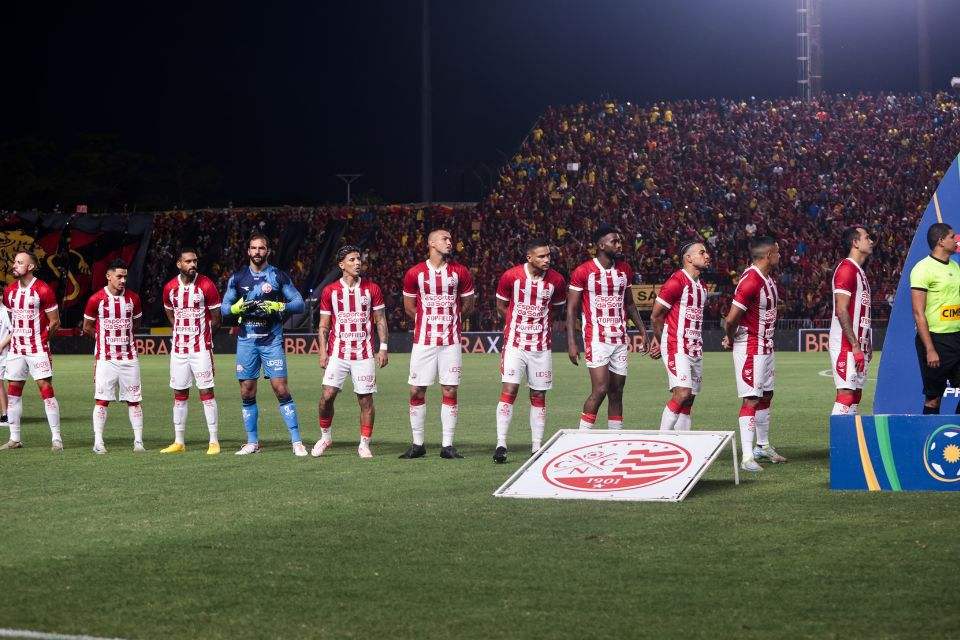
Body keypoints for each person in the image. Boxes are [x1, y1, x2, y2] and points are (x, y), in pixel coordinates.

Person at [221, 233, 306, 456]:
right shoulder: (237, 278)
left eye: (261, 248)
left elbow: (299, 303)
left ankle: (296, 441)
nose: (257, 252)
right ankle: (252, 442)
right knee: (246, 391)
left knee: (280, 388)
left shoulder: (277, 276)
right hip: (247, 341)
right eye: (253, 248)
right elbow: (224, 309)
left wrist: (279, 306)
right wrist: (236, 309)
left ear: (267, 251)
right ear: (248, 251)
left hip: (271, 340)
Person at [399, 228, 475, 459]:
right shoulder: (415, 273)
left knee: (450, 389)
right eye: (445, 238)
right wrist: (428, 321)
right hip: (424, 341)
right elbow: (409, 307)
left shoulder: (460, 272)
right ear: (431, 243)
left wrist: (451, 320)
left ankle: (447, 445)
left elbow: (468, 304)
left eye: (451, 238)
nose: (450, 242)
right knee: (416, 389)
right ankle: (418, 444)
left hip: (451, 341)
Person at [566, 224, 647, 431]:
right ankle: (582, 438)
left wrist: (643, 331)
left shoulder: (625, 269)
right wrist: (572, 343)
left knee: (617, 392)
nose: (619, 245)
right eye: (614, 241)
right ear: (601, 245)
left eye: (620, 241)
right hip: (596, 338)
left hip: (619, 338)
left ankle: (615, 438)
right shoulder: (583, 271)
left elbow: (629, 304)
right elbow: (572, 309)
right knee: (600, 389)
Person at [492, 238, 566, 463]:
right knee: (509, 389)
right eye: (542, 256)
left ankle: (537, 446)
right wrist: (516, 323)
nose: (547, 260)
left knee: (539, 394)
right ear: (529, 257)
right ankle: (501, 444)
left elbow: (557, 309)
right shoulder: (511, 276)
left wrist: (539, 325)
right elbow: (501, 305)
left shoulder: (557, 280)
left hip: (541, 347)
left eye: (548, 255)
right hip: (515, 344)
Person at [314, 245, 389, 459]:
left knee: (365, 400)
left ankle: (364, 444)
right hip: (338, 353)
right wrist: (323, 352)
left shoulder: (372, 289)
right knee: (327, 397)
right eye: (352, 260)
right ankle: (325, 437)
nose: (357, 263)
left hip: (363, 354)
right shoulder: (330, 291)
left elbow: (380, 320)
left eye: (359, 259)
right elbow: (324, 325)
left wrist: (383, 348)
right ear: (341, 265)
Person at [722, 236, 786, 472]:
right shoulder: (750, 280)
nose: (780, 255)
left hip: (766, 346)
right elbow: (731, 318)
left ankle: (762, 446)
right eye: (777, 252)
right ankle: (747, 457)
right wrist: (730, 337)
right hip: (750, 347)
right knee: (751, 398)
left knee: (766, 395)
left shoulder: (768, 279)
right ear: (768, 255)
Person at [159, 248, 222, 454]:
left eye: (195, 261)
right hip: (178, 350)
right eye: (188, 261)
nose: (193, 264)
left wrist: (202, 336)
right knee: (179, 393)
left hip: (201, 349)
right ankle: (179, 442)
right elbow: (170, 314)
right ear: (179, 264)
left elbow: (217, 319)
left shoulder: (206, 285)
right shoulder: (170, 287)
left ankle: (213, 441)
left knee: (206, 392)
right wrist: (182, 332)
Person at [0, 252, 62, 452]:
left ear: (31, 267)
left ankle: (56, 438)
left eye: (20, 262)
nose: (15, 265)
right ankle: (15, 439)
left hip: (37, 349)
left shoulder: (43, 290)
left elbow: (55, 322)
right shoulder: (9, 292)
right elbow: (12, 319)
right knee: (13, 391)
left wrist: (42, 340)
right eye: (15, 261)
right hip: (16, 349)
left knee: (46, 389)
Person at [82, 259, 145, 453]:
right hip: (106, 359)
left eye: (125, 276)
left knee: (134, 400)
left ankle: (138, 442)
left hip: (129, 358)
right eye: (119, 276)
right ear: (108, 276)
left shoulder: (133, 299)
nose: (123, 280)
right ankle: (98, 442)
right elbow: (87, 327)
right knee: (102, 400)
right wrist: (103, 339)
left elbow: (136, 324)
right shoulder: (96, 299)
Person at [649, 241, 711, 430]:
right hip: (677, 345)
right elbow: (656, 315)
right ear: (688, 258)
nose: (707, 256)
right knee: (682, 392)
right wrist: (661, 341)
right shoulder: (676, 281)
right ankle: (662, 440)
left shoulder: (702, 286)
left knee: (689, 398)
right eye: (702, 253)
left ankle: (683, 440)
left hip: (695, 347)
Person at [909, 222, 960, 414]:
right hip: (935, 340)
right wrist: (930, 349)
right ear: (940, 241)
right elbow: (918, 312)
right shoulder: (922, 269)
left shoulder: (955, 267)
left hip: (957, 337)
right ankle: (929, 432)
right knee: (933, 398)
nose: (956, 241)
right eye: (952, 237)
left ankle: (955, 429)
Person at [830, 227, 875, 415]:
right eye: (867, 237)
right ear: (855, 243)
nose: (871, 241)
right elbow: (841, 309)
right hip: (846, 344)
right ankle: (839, 435)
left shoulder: (859, 271)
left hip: (858, 345)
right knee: (846, 394)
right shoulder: (846, 269)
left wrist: (866, 344)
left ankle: (849, 435)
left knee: (855, 395)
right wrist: (855, 345)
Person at [0, 303, 11, 428]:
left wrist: (2, 345)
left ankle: (5, 415)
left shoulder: (5, 312)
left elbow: (14, 331)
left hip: (2, 354)